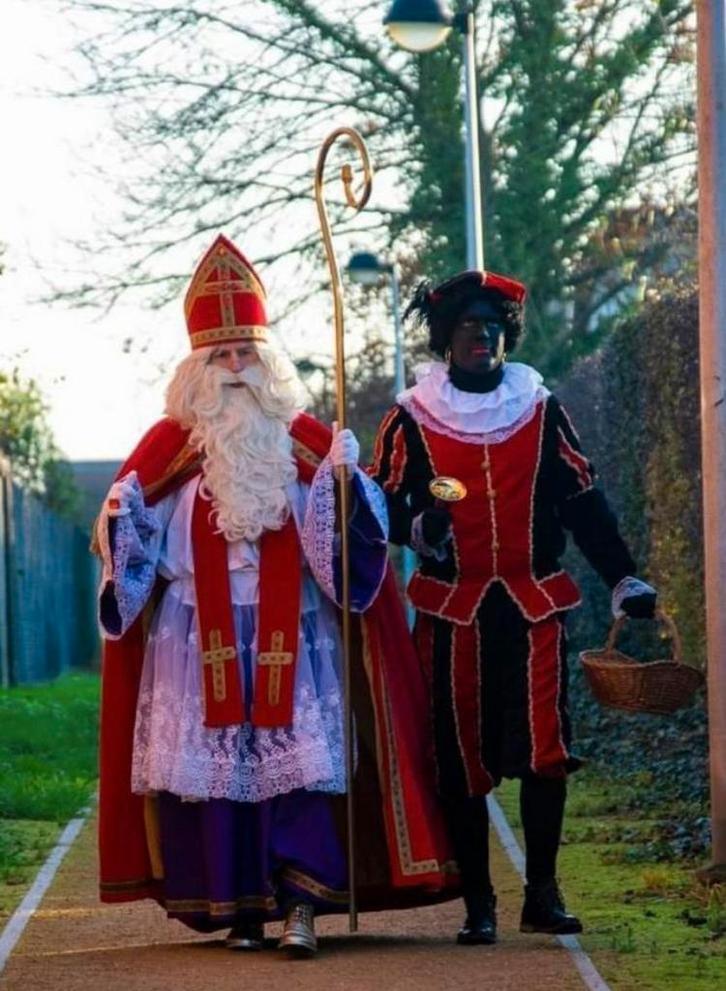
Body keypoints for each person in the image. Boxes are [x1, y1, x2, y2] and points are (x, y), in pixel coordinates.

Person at [95, 235, 457, 958]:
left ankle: (301, 905)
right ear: (197, 370)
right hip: (195, 635)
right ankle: (241, 904)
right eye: (221, 356)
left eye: (246, 353)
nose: (235, 368)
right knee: (216, 777)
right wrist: (120, 517)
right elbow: (130, 552)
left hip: (294, 628)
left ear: (268, 362)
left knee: (298, 770)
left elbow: (349, 552)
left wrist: (348, 488)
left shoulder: (306, 440)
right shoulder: (167, 447)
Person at [370, 269, 656, 945]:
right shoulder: (412, 416)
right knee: (459, 757)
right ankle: (479, 902)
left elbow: (582, 501)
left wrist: (623, 577)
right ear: (448, 338)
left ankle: (543, 894)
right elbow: (379, 505)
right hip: (452, 612)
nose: (484, 337)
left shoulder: (540, 407)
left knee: (546, 749)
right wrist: (418, 526)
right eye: (471, 326)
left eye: (494, 327)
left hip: (532, 606)